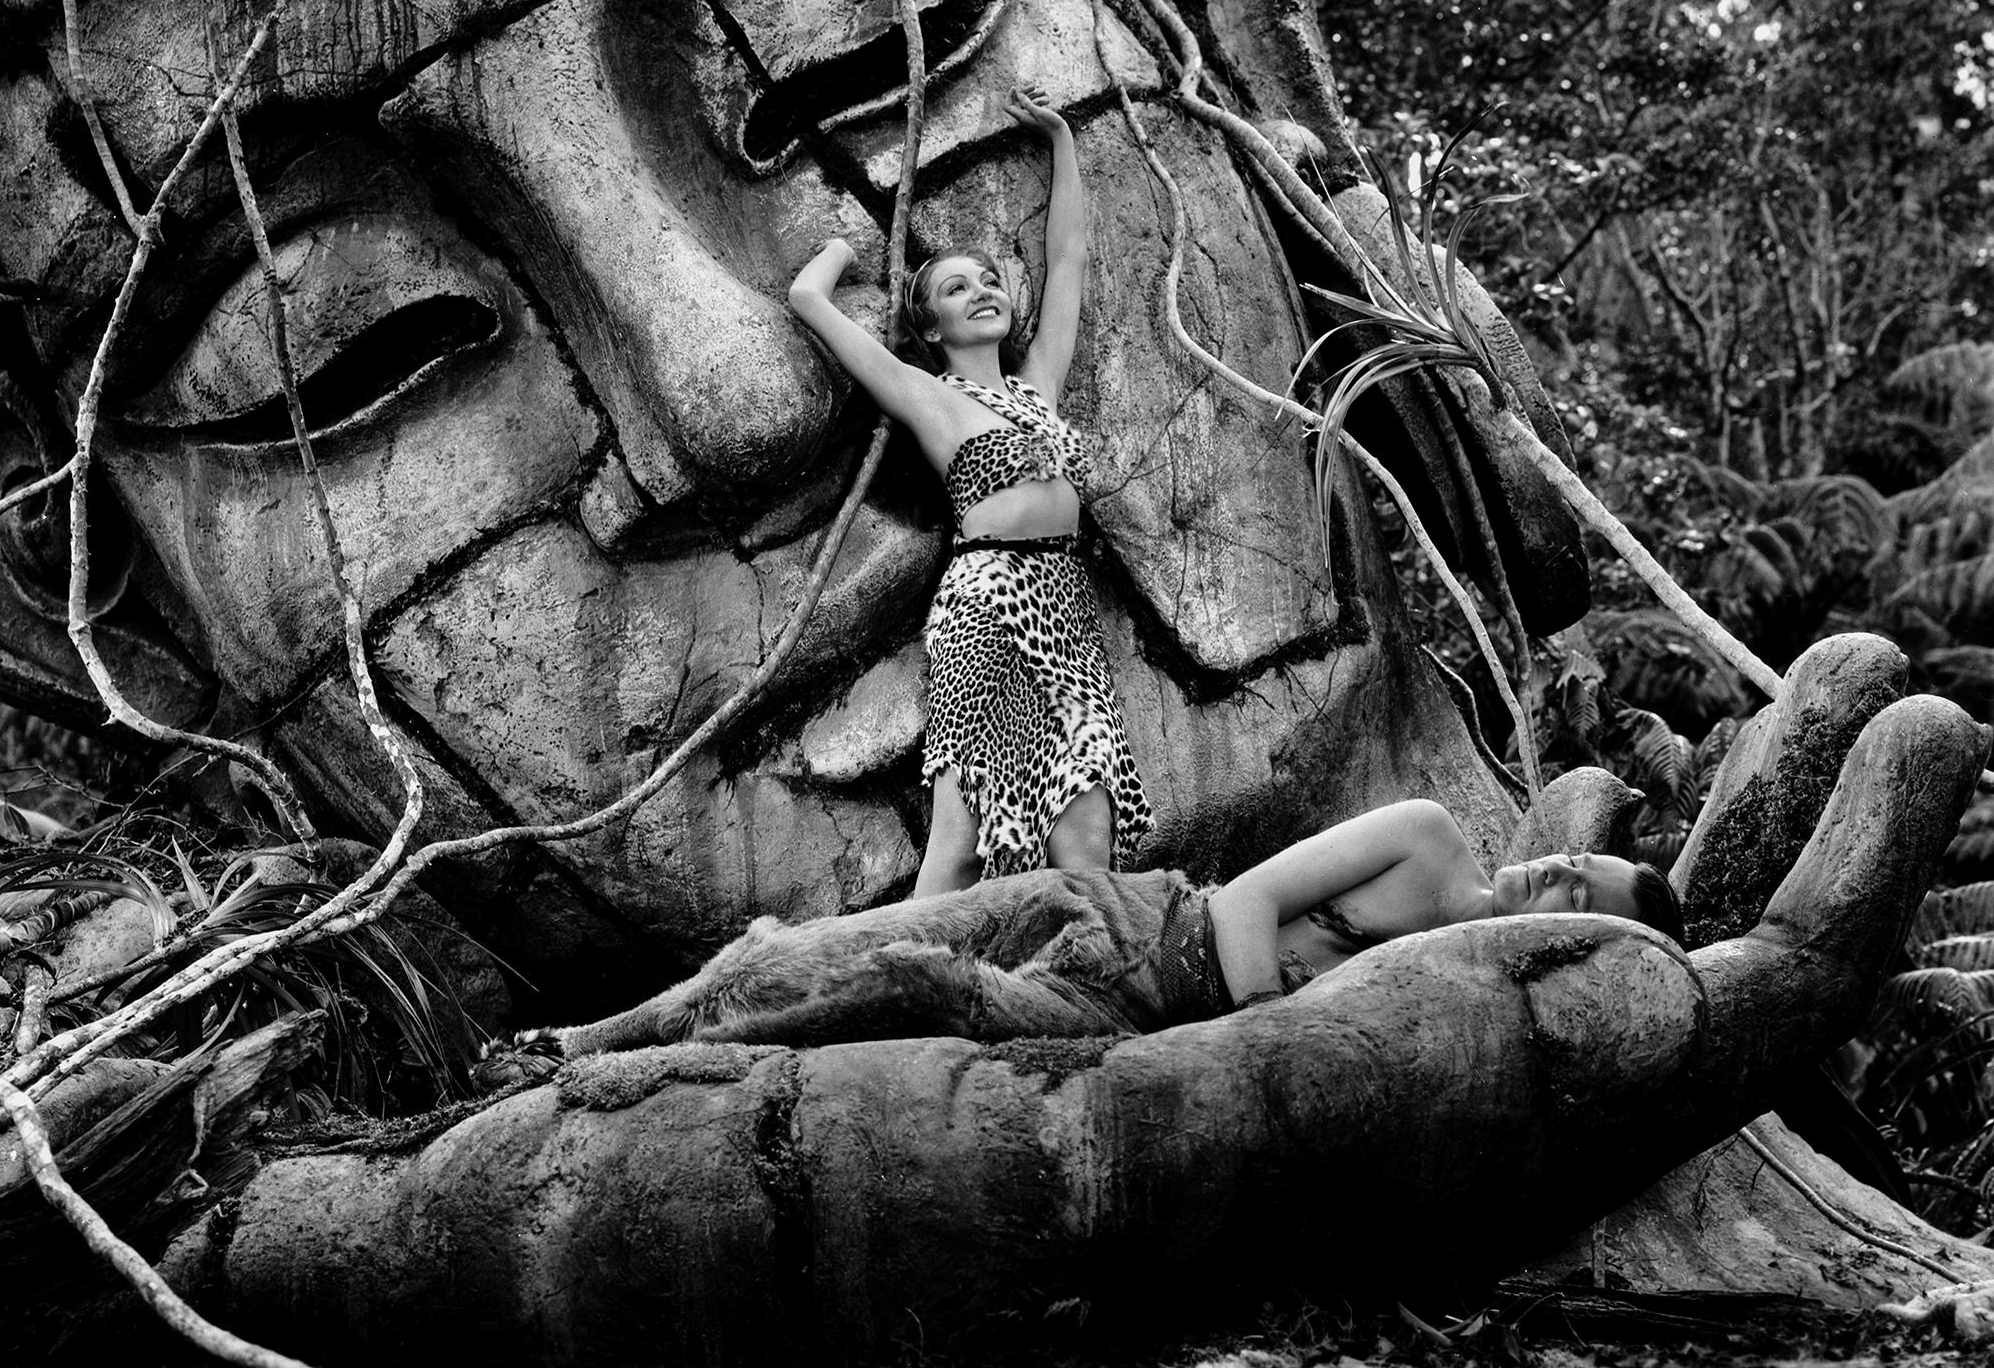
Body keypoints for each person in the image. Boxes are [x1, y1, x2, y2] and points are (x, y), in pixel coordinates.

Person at [509, 798, 1686, 1059]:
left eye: (1578, 898)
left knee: (903, 995)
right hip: (1112, 916)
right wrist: (1273, 1016)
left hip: (1118, 1021)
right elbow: (1246, 900)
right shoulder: (1430, 843)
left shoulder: (1475, 1001)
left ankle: (656, 1062)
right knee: (798, 952)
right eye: (1574, 860)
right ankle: (586, 1036)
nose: (1554, 872)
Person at [787, 86, 1152, 896]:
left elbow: (1069, 260)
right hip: (986, 604)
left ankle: (1088, 996)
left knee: (1087, 833)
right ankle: (891, 989)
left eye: (988, 280)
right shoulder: (928, 396)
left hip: (1062, 606)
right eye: (956, 289)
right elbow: (808, 299)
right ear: (928, 329)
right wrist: (843, 250)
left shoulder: (1040, 385)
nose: (982, 291)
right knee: (960, 838)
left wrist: (1060, 138)